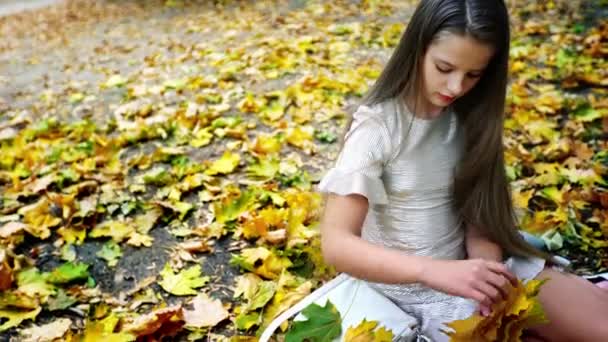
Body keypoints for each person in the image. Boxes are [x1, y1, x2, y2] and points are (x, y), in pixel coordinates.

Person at [316, 0, 608, 341]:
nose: (456, 87)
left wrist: (488, 279)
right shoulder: (378, 129)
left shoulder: (467, 118)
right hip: (411, 294)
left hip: (472, 273)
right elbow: (337, 243)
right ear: (418, 49)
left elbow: (478, 220)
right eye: (444, 67)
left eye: (473, 75)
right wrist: (433, 271)